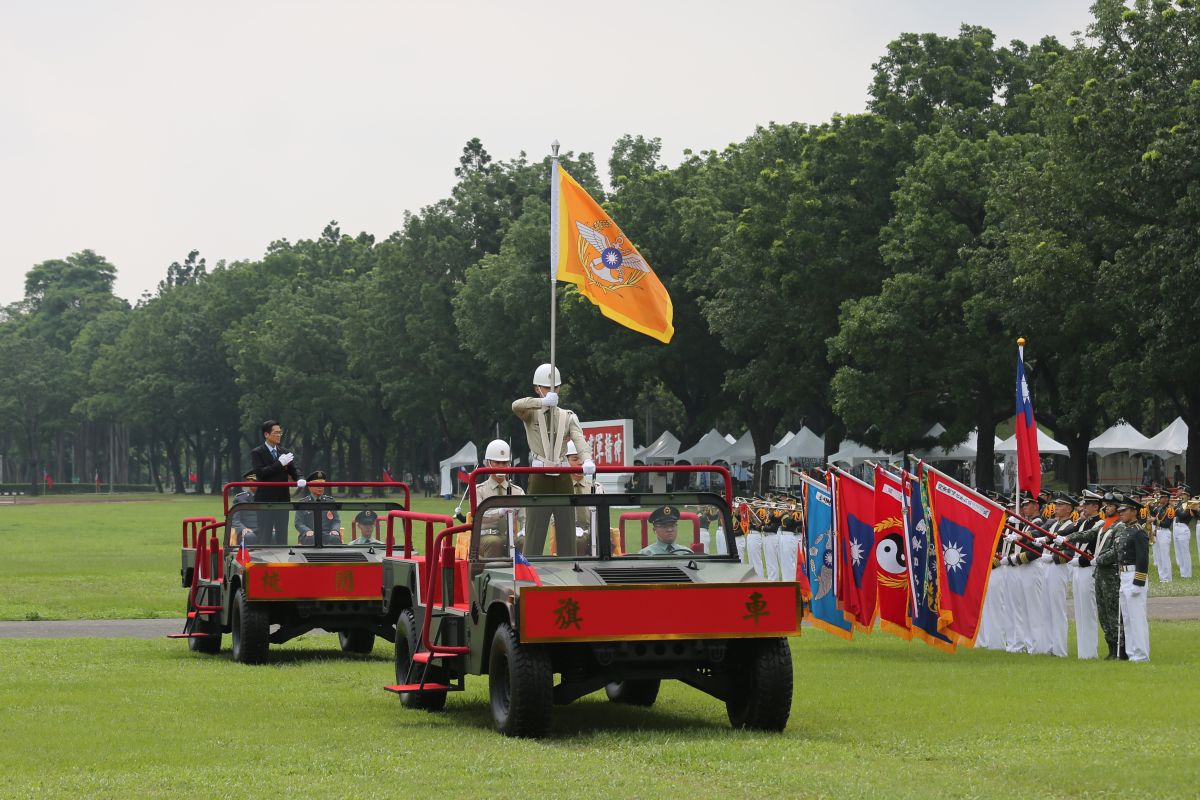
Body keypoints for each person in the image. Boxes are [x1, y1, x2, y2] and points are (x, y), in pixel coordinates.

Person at [512, 363, 593, 557]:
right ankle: (531, 568)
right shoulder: (531, 413)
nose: (552, 391)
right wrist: (542, 402)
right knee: (535, 529)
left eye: (555, 387)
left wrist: (587, 459)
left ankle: (568, 567)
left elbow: (579, 439)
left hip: (563, 474)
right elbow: (516, 405)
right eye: (546, 387)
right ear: (537, 389)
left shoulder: (568, 416)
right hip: (539, 475)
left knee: (567, 527)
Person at [1058, 489, 1105, 659]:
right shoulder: (1083, 522)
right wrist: (1049, 537)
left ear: (1095, 506)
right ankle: (1083, 651)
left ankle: (1090, 652)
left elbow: (1089, 540)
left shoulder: (1100, 523)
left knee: (1088, 610)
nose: (1083, 507)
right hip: (1078, 567)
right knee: (1079, 610)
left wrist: (1081, 559)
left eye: (1087, 505)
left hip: (1088, 568)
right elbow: (1068, 531)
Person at [1107, 497, 1151, 661]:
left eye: (1124, 510)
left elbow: (1143, 559)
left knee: (1136, 617)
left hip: (1133, 575)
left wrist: (1138, 582)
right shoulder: (1126, 530)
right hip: (1124, 575)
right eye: (1120, 510)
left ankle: (1141, 654)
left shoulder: (1139, 532)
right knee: (1127, 617)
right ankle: (1132, 652)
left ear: (1134, 511)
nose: (1121, 513)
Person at [249, 420, 303, 545]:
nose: (279, 435)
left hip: (282, 499)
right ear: (266, 434)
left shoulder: (284, 451)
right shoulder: (257, 452)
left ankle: (282, 557)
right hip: (265, 500)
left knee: (282, 536)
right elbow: (261, 473)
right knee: (265, 536)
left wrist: (300, 478)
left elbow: (294, 469)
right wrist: (279, 464)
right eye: (276, 433)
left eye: (280, 432)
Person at [472, 439, 525, 559]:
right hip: (485, 536)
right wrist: (500, 512)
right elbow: (479, 516)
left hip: (509, 536)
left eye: (505, 463)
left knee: (524, 541)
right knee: (494, 542)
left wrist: (524, 530)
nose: (501, 467)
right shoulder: (478, 490)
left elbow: (524, 518)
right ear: (488, 463)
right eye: (497, 462)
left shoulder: (518, 491)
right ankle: (493, 571)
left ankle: (524, 570)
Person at [1092, 492, 1124, 659]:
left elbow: (1115, 551)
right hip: (1100, 574)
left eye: (1110, 505)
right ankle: (1110, 646)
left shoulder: (1120, 526)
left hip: (1111, 574)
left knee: (1113, 613)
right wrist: (1065, 538)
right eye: (1106, 505)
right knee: (1103, 612)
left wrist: (1099, 559)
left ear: (1117, 508)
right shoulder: (1104, 524)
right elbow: (1089, 534)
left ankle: (1120, 649)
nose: (1106, 508)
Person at [295, 470, 342, 545]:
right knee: (310, 539)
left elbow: (336, 521)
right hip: (310, 534)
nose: (320, 487)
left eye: (322, 484)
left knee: (335, 538)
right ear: (309, 486)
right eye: (317, 484)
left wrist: (335, 530)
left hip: (327, 534)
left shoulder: (330, 501)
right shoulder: (303, 502)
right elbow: (298, 523)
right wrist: (307, 531)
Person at [227, 470, 259, 547]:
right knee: (249, 536)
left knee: (273, 535)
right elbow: (235, 520)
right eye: (254, 481)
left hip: (263, 530)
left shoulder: (265, 498)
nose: (257, 483)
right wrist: (243, 529)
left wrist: (272, 527)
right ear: (248, 482)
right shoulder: (240, 498)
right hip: (246, 530)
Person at [1149, 491, 1173, 583]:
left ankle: (1167, 578)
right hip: (1157, 532)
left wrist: (1154, 521)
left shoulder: (1169, 510)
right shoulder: (1159, 508)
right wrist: (1147, 505)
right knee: (1159, 556)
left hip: (1164, 532)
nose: (1159, 499)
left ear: (1166, 499)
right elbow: (1152, 511)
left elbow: (1167, 524)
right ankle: (1162, 577)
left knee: (1164, 556)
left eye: (1162, 497)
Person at [1170, 485, 1193, 579]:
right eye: (1182, 494)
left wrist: (1174, 508)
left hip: (1183, 528)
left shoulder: (1190, 505)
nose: (1182, 495)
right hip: (1176, 527)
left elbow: (1183, 516)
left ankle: (1187, 574)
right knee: (1179, 552)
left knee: (1185, 552)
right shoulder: (1180, 503)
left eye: (1184, 494)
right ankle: (1183, 573)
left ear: (1188, 496)